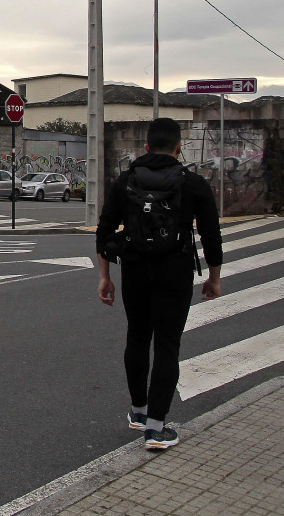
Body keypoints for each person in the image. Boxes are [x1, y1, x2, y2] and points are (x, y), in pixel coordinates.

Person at [96, 117, 223, 451]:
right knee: (167, 344)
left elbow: (105, 229)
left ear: (146, 146)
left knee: (137, 336)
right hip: (175, 270)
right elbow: (211, 234)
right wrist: (214, 277)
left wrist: (105, 277)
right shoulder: (194, 184)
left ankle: (138, 411)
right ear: (179, 147)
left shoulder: (125, 181)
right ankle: (156, 428)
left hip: (135, 269)